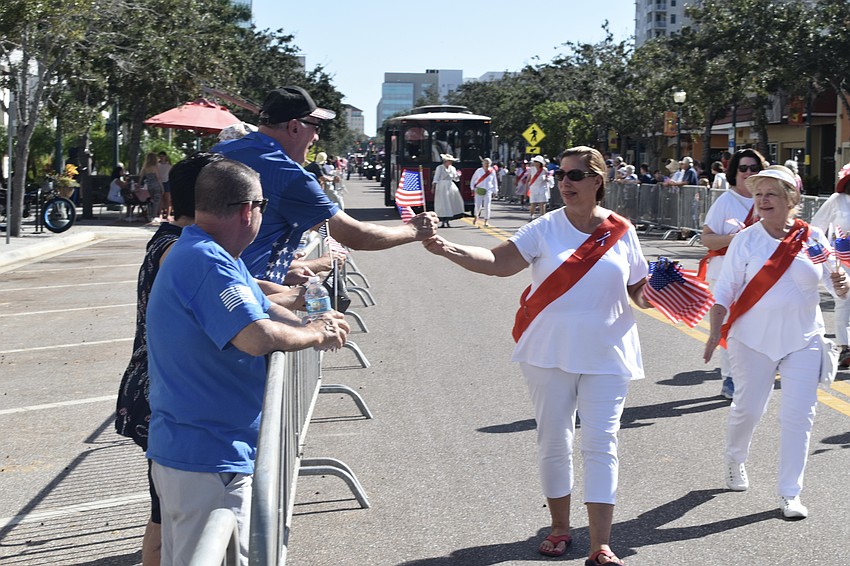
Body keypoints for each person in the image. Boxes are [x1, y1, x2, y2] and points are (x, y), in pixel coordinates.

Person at [423, 146, 650, 566]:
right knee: (555, 440)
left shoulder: (621, 231)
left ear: (598, 181)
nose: (565, 182)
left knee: (602, 443)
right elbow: (497, 261)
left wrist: (659, 294)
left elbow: (639, 289)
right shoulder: (545, 227)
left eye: (576, 174)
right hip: (548, 351)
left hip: (608, 351)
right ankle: (560, 528)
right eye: (560, 173)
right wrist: (446, 248)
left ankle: (600, 544)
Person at [146, 158, 350, 566]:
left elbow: (262, 311)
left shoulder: (212, 253)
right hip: (207, 455)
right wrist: (316, 334)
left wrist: (313, 319)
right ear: (247, 210)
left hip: (203, 450)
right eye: (264, 206)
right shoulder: (206, 259)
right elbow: (256, 337)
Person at [703, 165, 848, 520]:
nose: (763, 200)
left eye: (771, 193)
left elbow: (832, 282)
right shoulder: (746, 240)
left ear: (791, 199)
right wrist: (713, 329)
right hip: (752, 340)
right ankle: (735, 459)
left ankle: (790, 492)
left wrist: (841, 282)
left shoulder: (813, 236)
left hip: (803, 338)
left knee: (800, 416)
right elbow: (726, 290)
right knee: (748, 409)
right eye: (758, 194)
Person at [115, 152, 225, 566]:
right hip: (160, 391)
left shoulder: (174, 242)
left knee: (165, 513)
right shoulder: (178, 251)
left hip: (158, 388)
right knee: (166, 516)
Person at [213, 86, 437, 286]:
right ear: (294, 127)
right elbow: (355, 235)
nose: (317, 137)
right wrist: (412, 230)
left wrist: (282, 269)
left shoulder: (220, 151)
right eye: (316, 126)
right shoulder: (290, 175)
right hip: (241, 297)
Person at [700, 149, 767, 399]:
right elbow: (707, 238)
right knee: (729, 324)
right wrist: (736, 239)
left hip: (759, 275)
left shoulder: (766, 198)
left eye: (754, 168)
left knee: (752, 325)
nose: (749, 173)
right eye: (743, 169)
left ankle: (749, 374)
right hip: (725, 272)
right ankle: (729, 377)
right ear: (734, 172)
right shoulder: (725, 202)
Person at [810, 162, 850, 367]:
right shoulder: (837, 200)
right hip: (842, 259)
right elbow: (816, 228)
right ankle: (845, 346)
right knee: (845, 300)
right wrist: (822, 255)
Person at [433, 153, 465, 228]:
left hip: (450, 186)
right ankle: (443, 220)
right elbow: (436, 178)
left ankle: (448, 219)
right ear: (445, 161)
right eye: (449, 161)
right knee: (443, 203)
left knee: (451, 202)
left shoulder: (453, 168)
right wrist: (433, 186)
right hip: (442, 186)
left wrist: (458, 175)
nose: (451, 162)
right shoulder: (439, 168)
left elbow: (455, 179)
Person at [470, 157, 498, 227]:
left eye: (488, 163)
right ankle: (476, 217)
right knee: (478, 206)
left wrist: (495, 191)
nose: (486, 164)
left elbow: (494, 182)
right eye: (485, 163)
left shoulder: (492, 171)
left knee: (487, 206)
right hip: (479, 190)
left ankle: (486, 221)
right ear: (483, 163)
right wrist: (472, 188)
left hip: (488, 190)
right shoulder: (479, 171)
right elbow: (473, 180)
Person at [140, 153, 164, 226]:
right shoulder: (155, 167)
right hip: (156, 185)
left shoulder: (145, 168)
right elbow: (158, 178)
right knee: (157, 201)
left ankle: (149, 215)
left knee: (150, 200)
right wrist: (162, 187)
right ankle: (154, 216)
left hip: (149, 186)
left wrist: (138, 184)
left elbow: (141, 177)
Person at [527, 155, 550, 220]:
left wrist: (548, 179)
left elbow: (547, 177)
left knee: (542, 203)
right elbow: (528, 179)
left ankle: (542, 218)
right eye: (535, 161)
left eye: (536, 161)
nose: (535, 163)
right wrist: (526, 189)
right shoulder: (532, 169)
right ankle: (531, 216)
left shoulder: (544, 170)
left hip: (542, 188)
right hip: (534, 188)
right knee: (533, 203)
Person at [157, 152, 172, 219]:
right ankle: (160, 214)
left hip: (167, 182)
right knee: (160, 199)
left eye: (162, 156)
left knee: (167, 199)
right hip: (159, 182)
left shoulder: (169, 165)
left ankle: (168, 214)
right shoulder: (157, 165)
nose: (161, 158)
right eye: (160, 156)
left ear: (165, 157)